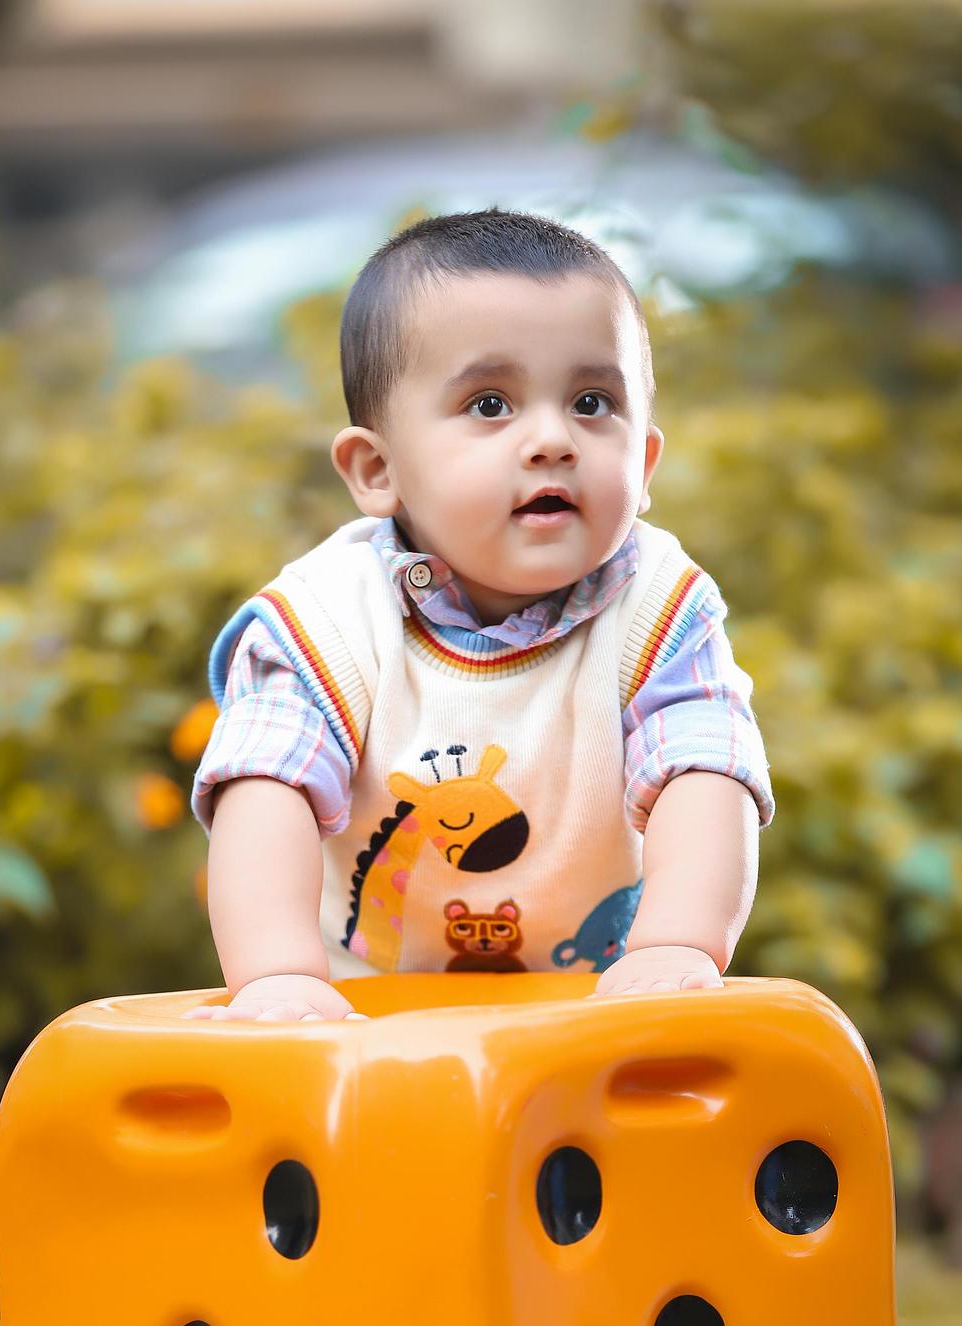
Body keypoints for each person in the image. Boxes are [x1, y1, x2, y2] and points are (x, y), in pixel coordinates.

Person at [187, 208, 774, 1024]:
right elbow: (266, 787)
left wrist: (676, 944)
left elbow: (705, 770)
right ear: (378, 469)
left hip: (597, 1007)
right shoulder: (322, 623)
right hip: (361, 1022)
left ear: (643, 465)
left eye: (593, 401)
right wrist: (278, 976)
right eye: (491, 404)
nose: (552, 439)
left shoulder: (661, 610)